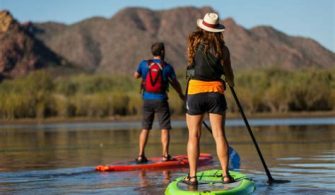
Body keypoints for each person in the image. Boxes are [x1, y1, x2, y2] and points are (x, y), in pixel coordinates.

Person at [184, 13, 235, 185]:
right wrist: (231, 82)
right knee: (219, 135)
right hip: (216, 93)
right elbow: (229, 73)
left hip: (195, 92)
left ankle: (192, 177)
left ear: (202, 28)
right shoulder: (224, 49)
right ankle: (226, 175)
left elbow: (191, 68)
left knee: (193, 135)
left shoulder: (193, 43)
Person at [134, 42, 184, 163]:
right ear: (162, 52)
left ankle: (141, 155)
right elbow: (175, 83)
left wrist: (143, 74)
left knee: (145, 128)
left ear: (153, 52)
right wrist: (181, 95)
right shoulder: (167, 67)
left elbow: (136, 76)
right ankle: (165, 155)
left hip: (147, 100)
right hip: (161, 100)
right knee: (165, 128)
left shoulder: (144, 64)